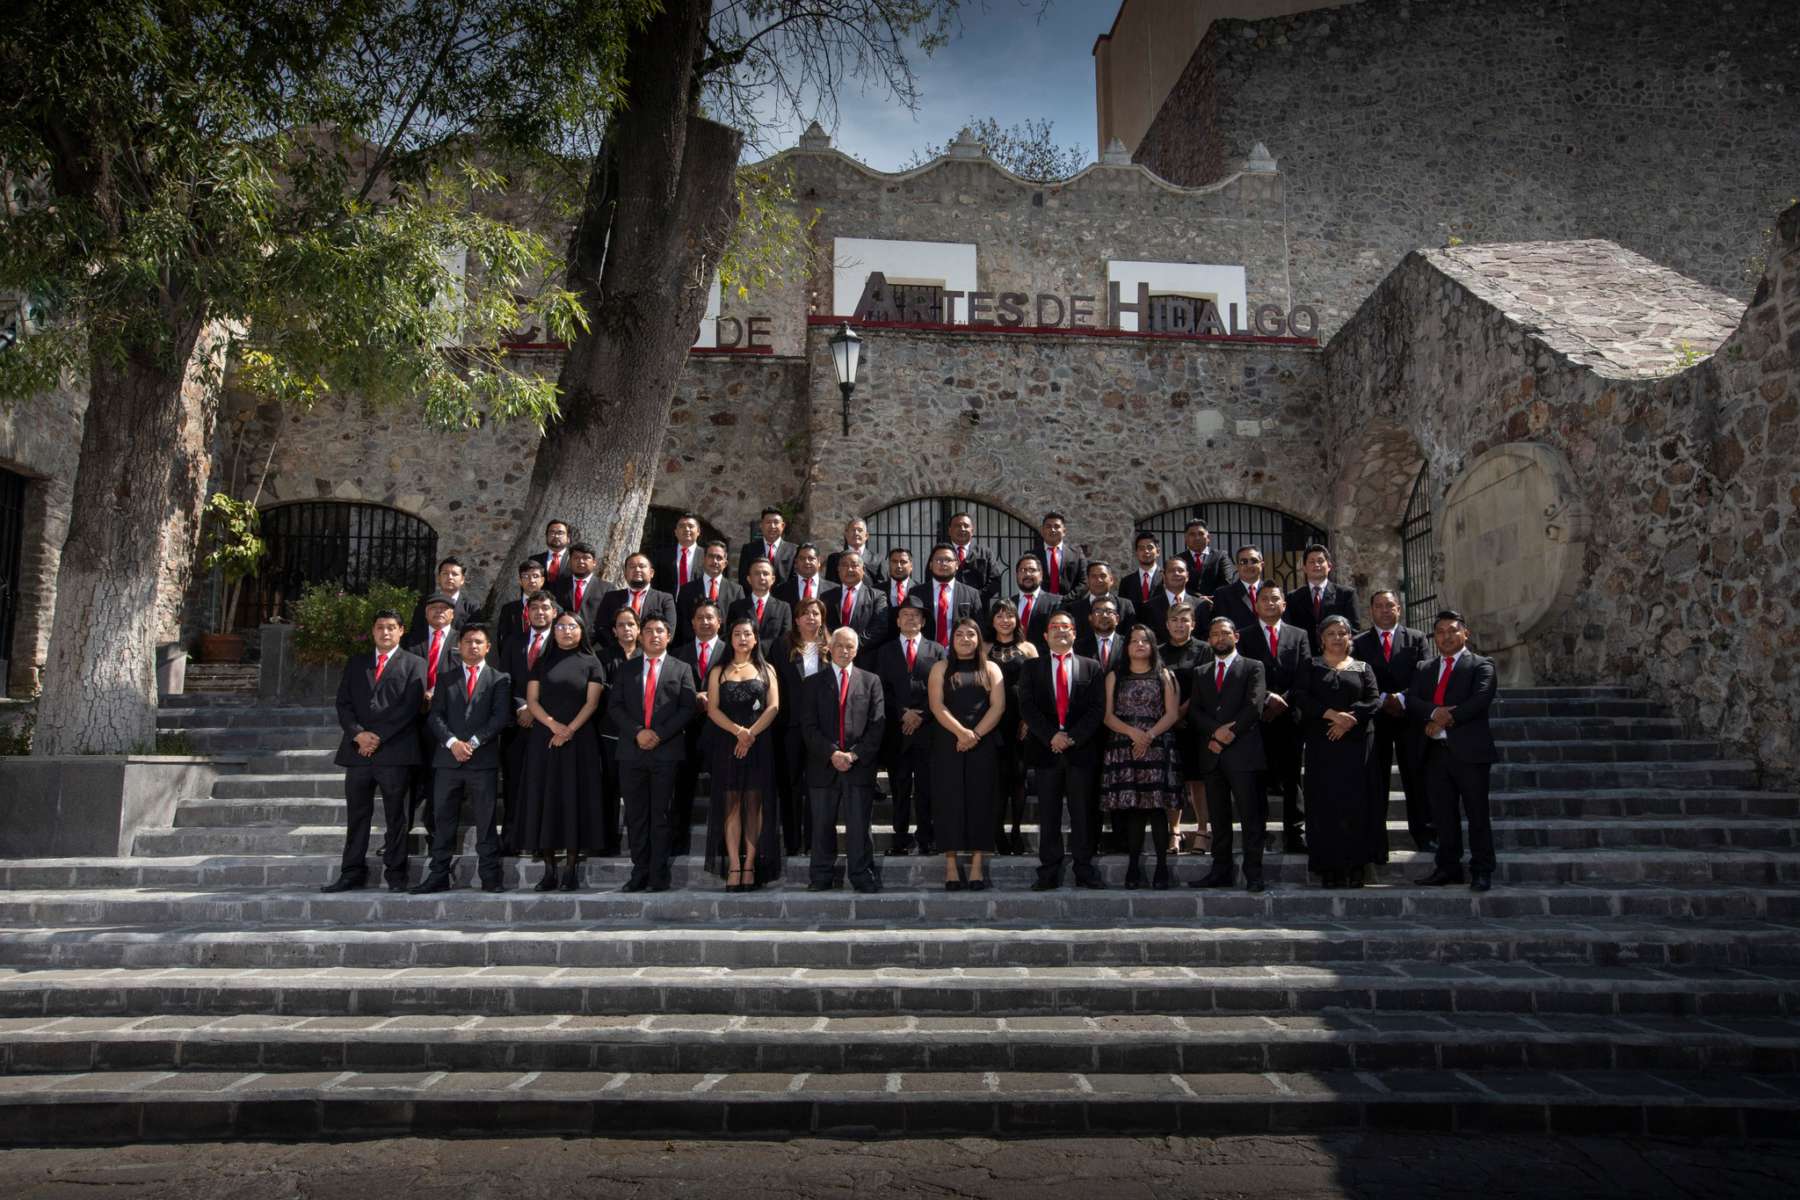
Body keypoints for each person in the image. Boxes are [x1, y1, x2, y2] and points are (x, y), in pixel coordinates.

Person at [322, 610, 427, 893]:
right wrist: (358, 734)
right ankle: (352, 871)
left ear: (401, 631)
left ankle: (396, 873)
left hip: (395, 751)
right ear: (373, 631)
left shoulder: (415, 664)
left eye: (391, 627)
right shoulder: (357, 663)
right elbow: (343, 704)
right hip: (358, 752)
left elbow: (410, 707)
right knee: (357, 816)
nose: (385, 632)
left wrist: (378, 737)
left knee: (397, 817)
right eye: (380, 627)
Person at [413, 623, 513, 894]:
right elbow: (435, 716)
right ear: (460, 646)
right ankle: (438, 876)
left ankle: (490, 876)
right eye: (468, 641)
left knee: (486, 820)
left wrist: (473, 742)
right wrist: (452, 742)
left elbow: (500, 717)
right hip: (447, 761)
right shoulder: (446, 678)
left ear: (488, 647)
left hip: (483, 761)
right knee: (442, 821)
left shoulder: (499, 679)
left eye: (479, 642)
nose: (473, 646)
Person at [1408, 610, 1499, 892]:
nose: (1446, 636)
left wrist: (1446, 719)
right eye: (1441, 632)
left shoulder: (1482, 665)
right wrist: (1434, 714)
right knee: (1443, 816)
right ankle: (1448, 867)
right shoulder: (1425, 668)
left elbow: (1480, 699)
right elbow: (1413, 700)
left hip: (1469, 752)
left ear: (1465, 633)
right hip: (1435, 753)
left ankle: (1482, 869)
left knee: (1477, 814)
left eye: (1452, 630)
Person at [516, 612, 609, 890]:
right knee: (545, 798)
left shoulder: (592, 662)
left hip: (580, 740)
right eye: (561, 626)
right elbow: (532, 700)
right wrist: (554, 726)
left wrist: (569, 730)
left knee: (574, 799)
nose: (566, 631)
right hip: (545, 739)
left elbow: (592, 703)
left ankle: (570, 868)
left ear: (581, 631)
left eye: (572, 626)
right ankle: (548, 869)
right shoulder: (541, 662)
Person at [606, 615, 698, 892]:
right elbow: (615, 707)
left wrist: (659, 733)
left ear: (668, 637)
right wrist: (637, 732)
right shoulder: (626, 669)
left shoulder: (681, 668)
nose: (654, 635)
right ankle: (640, 871)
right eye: (648, 631)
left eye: (660, 631)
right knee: (635, 816)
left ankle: (659, 874)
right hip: (631, 752)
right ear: (640, 636)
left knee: (661, 815)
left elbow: (687, 707)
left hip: (666, 752)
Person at [1019, 612, 1105, 889]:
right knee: (1049, 814)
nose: (1060, 632)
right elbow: (1028, 708)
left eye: (1066, 627)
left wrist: (1072, 738)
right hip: (1046, 752)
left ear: (1075, 633)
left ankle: (1084, 868)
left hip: (1080, 752)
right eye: (1054, 628)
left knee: (1082, 813)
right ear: (1045, 635)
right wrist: (1051, 737)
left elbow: (1097, 709)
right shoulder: (1032, 668)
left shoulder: (1092, 667)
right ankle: (1049, 870)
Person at [1294, 614, 1380, 888]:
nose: (1337, 638)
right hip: (1323, 744)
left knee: (1357, 804)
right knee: (1325, 804)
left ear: (1349, 638)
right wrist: (1331, 714)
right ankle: (1329, 867)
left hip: (1356, 745)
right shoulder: (1311, 665)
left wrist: (1350, 720)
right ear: (1322, 638)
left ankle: (1356, 866)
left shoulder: (1362, 667)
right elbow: (1301, 697)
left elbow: (1374, 699)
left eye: (1342, 633)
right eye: (1331, 633)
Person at [1187, 617, 1271, 894]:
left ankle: (1254, 873)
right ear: (1209, 639)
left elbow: (1254, 706)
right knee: (1219, 820)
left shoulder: (1252, 667)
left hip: (1243, 753)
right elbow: (1196, 711)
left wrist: (1227, 735)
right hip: (1212, 755)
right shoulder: (1201, 672)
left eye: (1225, 633)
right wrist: (1215, 733)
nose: (1219, 638)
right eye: (1214, 634)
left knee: (1250, 817)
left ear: (1236, 635)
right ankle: (1220, 871)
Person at [801, 627, 887, 892]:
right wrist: (832, 753)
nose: (845, 650)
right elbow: (808, 726)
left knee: (860, 825)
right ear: (830, 648)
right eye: (840, 645)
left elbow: (877, 726)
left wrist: (854, 754)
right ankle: (821, 876)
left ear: (857, 650)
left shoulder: (871, 681)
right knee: (822, 825)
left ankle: (861, 875)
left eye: (850, 646)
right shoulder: (813, 683)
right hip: (823, 765)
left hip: (858, 765)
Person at [1101, 625, 1184, 889]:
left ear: (1152, 646)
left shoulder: (1165, 675)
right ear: (1126, 647)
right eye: (1134, 641)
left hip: (1157, 745)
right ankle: (1133, 867)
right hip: (1124, 745)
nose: (1139, 645)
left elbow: (1172, 714)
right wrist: (1133, 734)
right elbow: (1107, 715)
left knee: (1156, 808)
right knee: (1135, 809)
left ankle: (1161, 868)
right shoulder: (1115, 676)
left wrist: (1147, 736)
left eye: (1144, 641)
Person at [703, 616, 782, 891]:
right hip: (727, 743)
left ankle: (750, 864)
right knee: (731, 805)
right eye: (737, 634)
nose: (743, 639)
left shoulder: (766, 668)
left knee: (754, 805)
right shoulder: (718, 670)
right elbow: (712, 709)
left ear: (755, 638)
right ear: (730, 638)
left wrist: (750, 735)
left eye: (748, 634)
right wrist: (738, 732)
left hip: (759, 743)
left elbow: (773, 707)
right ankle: (734, 865)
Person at [927, 617, 1006, 890]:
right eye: (959, 634)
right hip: (948, 742)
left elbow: (997, 707)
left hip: (982, 744)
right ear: (952, 639)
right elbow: (937, 706)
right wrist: (961, 733)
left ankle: (975, 867)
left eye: (970, 634)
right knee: (948, 802)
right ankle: (950, 866)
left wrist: (975, 735)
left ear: (978, 639)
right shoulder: (941, 667)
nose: (965, 639)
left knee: (980, 802)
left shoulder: (992, 668)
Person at [1353, 590, 1434, 855]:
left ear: (1399, 608)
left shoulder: (1417, 638)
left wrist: (1401, 698)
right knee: (1376, 780)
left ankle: (1423, 834)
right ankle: (1376, 840)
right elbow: (1358, 681)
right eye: (1379, 606)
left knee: (1416, 778)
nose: (1385, 611)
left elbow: (1425, 676)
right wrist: (1384, 698)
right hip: (1375, 720)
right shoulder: (1359, 642)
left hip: (1409, 717)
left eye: (1390, 606)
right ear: (1371, 611)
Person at [1242, 584, 1313, 855]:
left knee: (1292, 778)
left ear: (1284, 604)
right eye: (1264, 599)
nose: (1270, 603)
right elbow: (1244, 674)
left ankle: (1295, 834)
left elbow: (1305, 674)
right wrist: (1268, 697)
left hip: (1290, 717)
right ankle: (1257, 834)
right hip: (1257, 719)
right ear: (1255, 605)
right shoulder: (1245, 636)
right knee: (1258, 779)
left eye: (1275, 599)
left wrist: (1283, 699)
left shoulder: (1299, 635)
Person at [876, 600, 944, 855]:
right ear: (897, 620)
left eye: (916, 615)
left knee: (927, 787)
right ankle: (900, 837)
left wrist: (922, 715)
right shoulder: (886, 651)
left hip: (928, 731)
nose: (910, 619)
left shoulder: (937, 650)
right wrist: (903, 714)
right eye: (905, 615)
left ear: (924, 621)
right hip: (898, 730)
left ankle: (927, 837)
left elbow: (942, 687)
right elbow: (881, 689)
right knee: (899, 786)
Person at [670, 600, 726, 856]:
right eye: (699, 618)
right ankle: (677, 843)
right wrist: (694, 699)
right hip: (685, 730)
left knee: (722, 791)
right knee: (682, 788)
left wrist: (712, 698)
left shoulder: (730, 652)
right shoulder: (678, 653)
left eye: (709, 618)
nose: (705, 622)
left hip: (720, 730)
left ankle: (722, 844)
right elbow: (669, 691)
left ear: (719, 622)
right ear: (692, 623)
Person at [775, 596, 830, 855]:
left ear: (822, 619)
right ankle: (793, 842)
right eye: (806, 614)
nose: (811, 618)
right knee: (792, 785)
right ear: (796, 619)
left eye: (816, 614)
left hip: (822, 728)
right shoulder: (781, 646)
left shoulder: (831, 647)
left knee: (818, 785)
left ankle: (815, 842)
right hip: (791, 726)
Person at [1159, 601, 1214, 856]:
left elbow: (1204, 685)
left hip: (1196, 723)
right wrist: (1170, 716)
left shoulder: (1204, 650)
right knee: (1172, 780)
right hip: (1167, 726)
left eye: (1185, 620)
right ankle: (1174, 831)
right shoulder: (1159, 652)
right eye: (1175, 620)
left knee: (1197, 780)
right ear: (1167, 624)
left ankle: (1203, 830)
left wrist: (1180, 713)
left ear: (1193, 624)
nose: (1179, 625)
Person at [402, 593, 460, 836]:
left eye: (444, 608)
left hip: (449, 720)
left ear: (452, 614)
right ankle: (398, 836)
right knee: (409, 780)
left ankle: (436, 832)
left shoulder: (464, 640)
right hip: (415, 719)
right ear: (426, 613)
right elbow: (401, 675)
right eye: (433, 608)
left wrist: (437, 693)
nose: (439, 612)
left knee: (441, 778)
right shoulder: (410, 641)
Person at [495, 589, 558, 812]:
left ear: (554, 612)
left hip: (551, 724)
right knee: (514, 781)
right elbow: (504, 680)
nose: (539, 612)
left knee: (548, 783)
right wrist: (522, 706)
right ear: (526, 613)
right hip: (517, 723)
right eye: (534, 608)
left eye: (545, 608)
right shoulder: (513, 642)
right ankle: (513, 836)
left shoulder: (562, 644)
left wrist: (537, 710)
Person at [985, 599, 1038, 855]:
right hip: (992, 721)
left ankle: (1016, 831)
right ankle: (996, 833)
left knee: (1018, 779)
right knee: (996, 781)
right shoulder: (983, 648)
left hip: (1021, 721)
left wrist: (1029, 720)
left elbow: (1038, 687)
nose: (1005, 621)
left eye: (1010, 616)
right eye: (999, 616)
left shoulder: (1028, 648)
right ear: (992, 620)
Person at [593, 606, 641, 856]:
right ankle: (606, 843)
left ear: (638, 628)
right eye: (621, 625)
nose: (626, 629)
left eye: (631, 624)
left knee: (637, 794)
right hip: (611, 734)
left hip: (643, 734)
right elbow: (604, 695)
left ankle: (638, 844)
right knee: (608, 789)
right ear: (614, 630)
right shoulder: (603, 658)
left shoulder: (647, 656)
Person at [1287, 543, 1362, 655]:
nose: (1316, 565)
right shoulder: (1292, 597)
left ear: (1329, 566)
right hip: (1304, 658)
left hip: (1337, 657)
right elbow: (1290, 630)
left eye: (1320, 561)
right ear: (1304, 568)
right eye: (1311, 562)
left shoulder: (1346, 595)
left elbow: (1353, 629)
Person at [595, 553, 677, 654]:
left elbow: (670, 631)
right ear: (625, 574)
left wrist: (643, 650)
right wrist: (621, 648)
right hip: (616, 656)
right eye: (632, 567)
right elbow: (601, 627)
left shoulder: (665, 599)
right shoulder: (611, 597)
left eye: (642, 566)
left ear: (651, 573)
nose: (637, 570)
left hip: (651, 656)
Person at [822, 550, 888, 667]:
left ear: (863, 569)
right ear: (838, 569)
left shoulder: (877, 596)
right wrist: (836, 647)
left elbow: (878, 628)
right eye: (844, 565)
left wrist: (851, 646)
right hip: (832, 660)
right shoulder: (826, 596)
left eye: (854, 565)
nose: (850, 569)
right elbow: (824, 625)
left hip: (865, 661)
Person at [910, 544, 984, 646]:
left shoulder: (972, 594)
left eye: (948, 560)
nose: (943, 564)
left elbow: (979, 627)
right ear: (931, 565)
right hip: (926, 652)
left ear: (957, 564)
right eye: (939, 560)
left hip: (961, 651)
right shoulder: (916, 593)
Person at [675, 539, 743, 644]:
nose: (715, 561)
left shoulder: (736, 591)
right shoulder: (687, 590)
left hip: (726, 650)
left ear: (725, 563)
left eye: (719, 558)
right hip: (693, 648)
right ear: (704, 559)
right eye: (711, 556)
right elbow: (682, 624)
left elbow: (739, 623)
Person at [406, 557, 481, 643]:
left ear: (462, 580)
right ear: (438, 578)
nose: (449, 577)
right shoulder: (425, 603)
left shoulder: (471, 606)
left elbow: (474, 637)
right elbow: (415, 632)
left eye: (454, 574)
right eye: (445, 573)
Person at [1142, 556, 1210, 644]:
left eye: (1181, 570)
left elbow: (1205, 636)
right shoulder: (1149, 606)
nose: (1176, 573)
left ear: (1187, 576)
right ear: (1163, 576)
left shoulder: (1201, 605)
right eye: (1171, 571)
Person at [1062, 562, 1138, 640]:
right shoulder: (1074, 609)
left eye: (1103, 576)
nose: (1099, 580)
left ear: (1111, 580)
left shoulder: (1125, 606)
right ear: (1088, 581)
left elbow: (1130, 637)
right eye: (1094, 576)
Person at [728, 558, 793, 647]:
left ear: (773, 579)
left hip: (773, 659)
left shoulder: (783, 608)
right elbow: (730, 637)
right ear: (749, 579)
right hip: (744, 659)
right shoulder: (736, 607)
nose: (761, 577)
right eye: (757, 573)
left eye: (765, 574)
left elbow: (786, 639)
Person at [553, 542, 614, 633]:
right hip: (562, 638)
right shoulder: (557, 585)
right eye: (576, 558)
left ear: (594, 562)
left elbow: (608, 619)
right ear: (570, 562)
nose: (581, 561)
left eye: (585, 558)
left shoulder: (607, 589)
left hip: (594, 642)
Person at [945, 512, 1003, 605]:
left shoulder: (985, 553)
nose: (962, 529)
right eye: (957, 526)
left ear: (972, 531)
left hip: (978, 609)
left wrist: (975, 597)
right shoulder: (941, 552)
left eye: (966, 526)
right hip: (947, 606)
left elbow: (995, 582)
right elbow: (931, 578)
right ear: (949, 530)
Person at [1211, 545, 1268, 639]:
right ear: (1237, 566)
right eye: (1243, 562)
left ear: (1262, 564)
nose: (1249, 565)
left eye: (1254, 561)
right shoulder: (1223, 594)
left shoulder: (1274, 591)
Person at [1009, 553, 1061, 651]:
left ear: (1041, 575)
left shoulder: (1056, 603)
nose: (1027, 574)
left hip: (1042, 661)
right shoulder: (1008, 603)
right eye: (1023, 570)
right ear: (1017, 575)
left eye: (1032, 570)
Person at [825, 517, 887, 594]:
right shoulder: (834, 558)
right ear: (846, 534)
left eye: (860, 530)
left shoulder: (878, 559)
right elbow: (829, 586)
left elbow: (882, 587)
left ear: (866, 536)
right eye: (853, 530)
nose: (856, 533)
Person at [1031, 511, 1086, 596]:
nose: (1052, 530)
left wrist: (1065, 599)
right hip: (1040, 605)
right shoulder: (1032, 556)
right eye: (1048, 526)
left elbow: (1084, 582)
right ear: (1042, 531)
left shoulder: (1076, 554)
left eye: (1056, 526)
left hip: (1069, 605)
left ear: (1064, 531)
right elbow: (1028, 581)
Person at [738, 506, 797, 585]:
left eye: (776, 522)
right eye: (768, 522)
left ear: (782, 526)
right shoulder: (749, 549)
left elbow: (795, 580)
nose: (772, 526)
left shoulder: (794, 550)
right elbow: (743, 579)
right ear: (761, 525)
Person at [496, 560, 548, 648]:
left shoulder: (554, 608)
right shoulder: (508, 609)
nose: (531, 580)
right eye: (526, 576)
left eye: (535, 576)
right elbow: (503, 641)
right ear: (520, 581)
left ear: (542, 580)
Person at [651, 511, 704, 596]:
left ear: (698, 532)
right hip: (668, 605)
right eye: (682, 526)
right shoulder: (662, 555)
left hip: (698, 605)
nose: (686, 529)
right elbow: (654, 583)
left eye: (690, 526)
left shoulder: (706, 556)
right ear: (675, 532)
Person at [1178, 519, 1232, 597]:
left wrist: (1214, 597)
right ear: (1186, 539)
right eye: (1192, 534)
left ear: (1208, 537)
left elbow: (1227, 581)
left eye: (1201, 534)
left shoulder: (1221, 556)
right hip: (1188, 604)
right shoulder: (1178, 559)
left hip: (1216, 602)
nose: (1197, 538)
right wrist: (1199, 598)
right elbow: (1175, 584)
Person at [1076, 595, 1125, 669]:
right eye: (1098, 611)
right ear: (1090, 618)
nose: (1104, 615)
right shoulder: (1078, 646)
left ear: (1117, 619)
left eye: (1109, 611)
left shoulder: (1127, 644)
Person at [1119, 531, 1165, 611]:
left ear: (1158, 552)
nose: (1146, 551)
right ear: (1136, 553)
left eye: (1150, 547)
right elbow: (1123, 610)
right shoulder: (1126, 582)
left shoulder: (1166, 578)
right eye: (1141, 548)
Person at [879, 547, 917, 633]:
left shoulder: (920, 589)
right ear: (889, 565)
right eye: (894, 562)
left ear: (911, 566)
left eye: (903, 562)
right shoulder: (876, 590)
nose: (898, 566)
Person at [532, 519, 573, 586]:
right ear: (546, 536)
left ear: (568, 538)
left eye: (560, 533)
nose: (556, 536)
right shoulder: (535, 560)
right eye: (552, 532)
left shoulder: (575, 560)